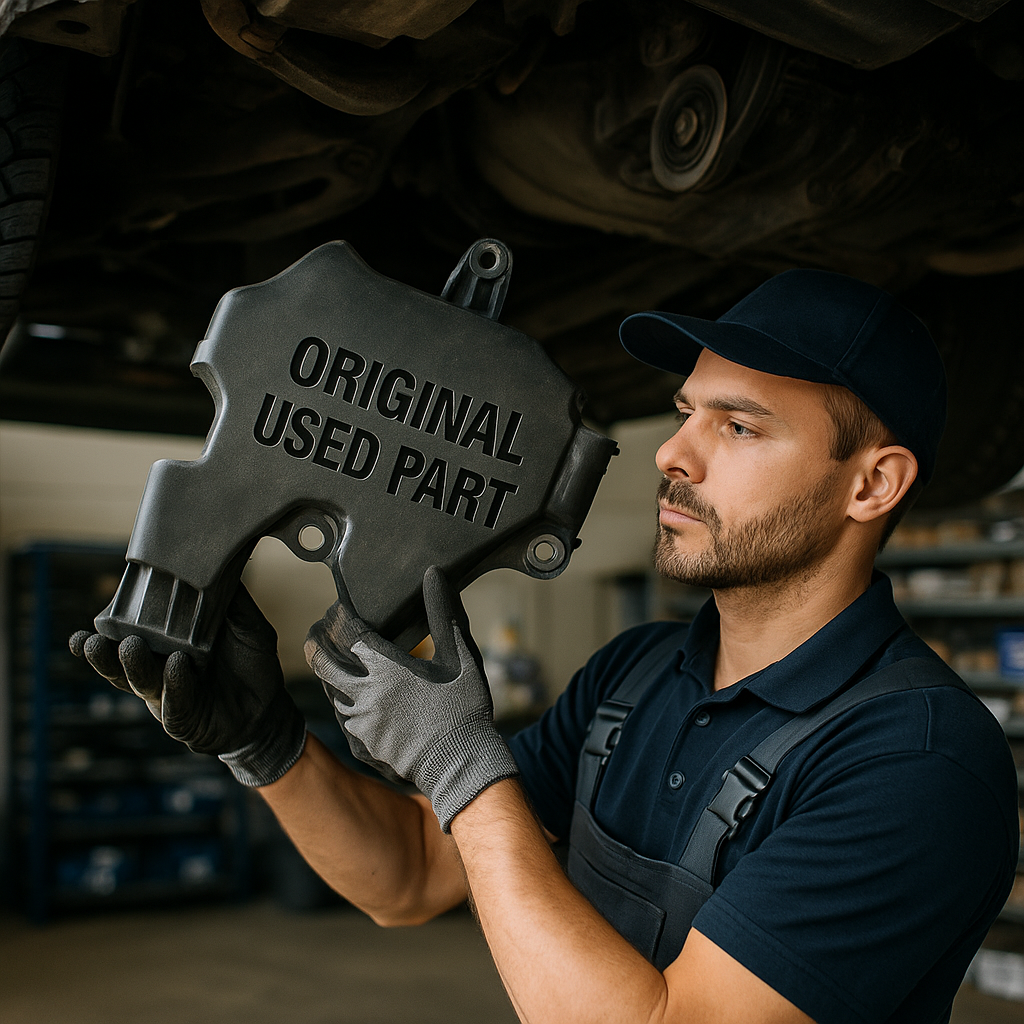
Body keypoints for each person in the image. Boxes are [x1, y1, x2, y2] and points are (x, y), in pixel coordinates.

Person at [72, 269, 1020, 1024]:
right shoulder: (635, 675)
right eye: (686, 412)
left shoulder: (916, 762)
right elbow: (414, 874)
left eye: (738, 426)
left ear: (872, 485)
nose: (674, 455)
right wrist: (268, 746)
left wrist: (463, 767)